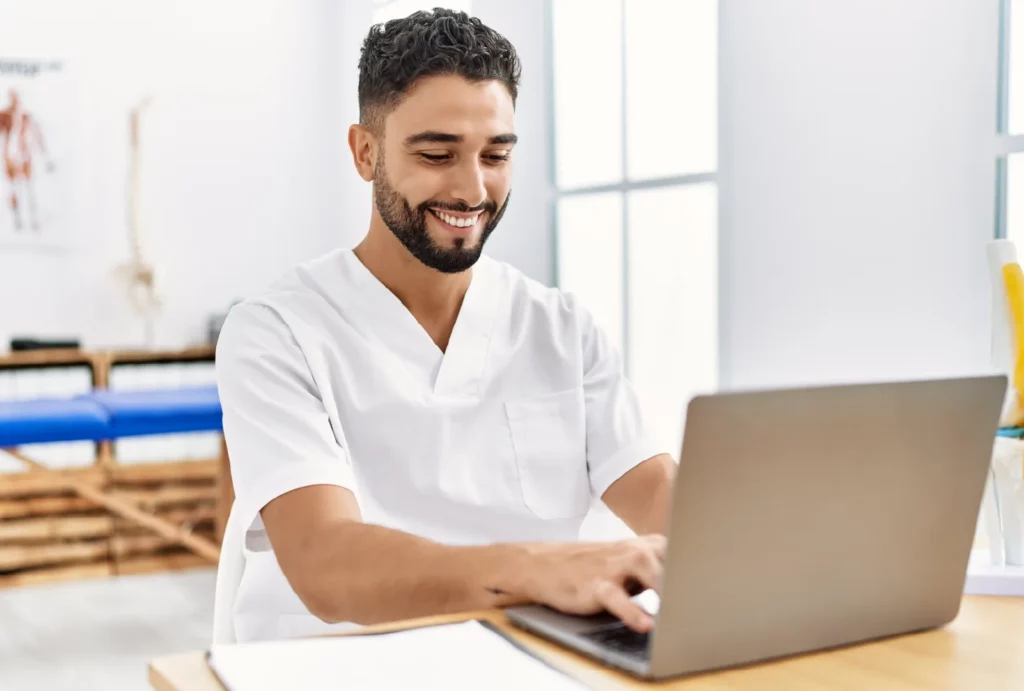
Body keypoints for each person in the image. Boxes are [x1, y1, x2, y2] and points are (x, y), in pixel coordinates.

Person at [216, 8, 676, 644]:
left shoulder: (562, 328)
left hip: (531, 659)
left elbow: (657, 489)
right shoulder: (276, 332)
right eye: (437, 154)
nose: (472, 189)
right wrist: (541, 570)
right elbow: (326, 564)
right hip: (335, 668)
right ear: (365, 151)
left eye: (495, 155)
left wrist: (756, 547)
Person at [0, 88, 52, 231]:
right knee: (13, 189)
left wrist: (45, 156)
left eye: (16, 98)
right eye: (12, 98)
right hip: (10, 157)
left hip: (24, 157)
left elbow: (38, 136)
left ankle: (33, 219)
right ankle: (17, 221)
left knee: (30, 189)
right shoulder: (4, 116)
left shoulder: (26, 116)